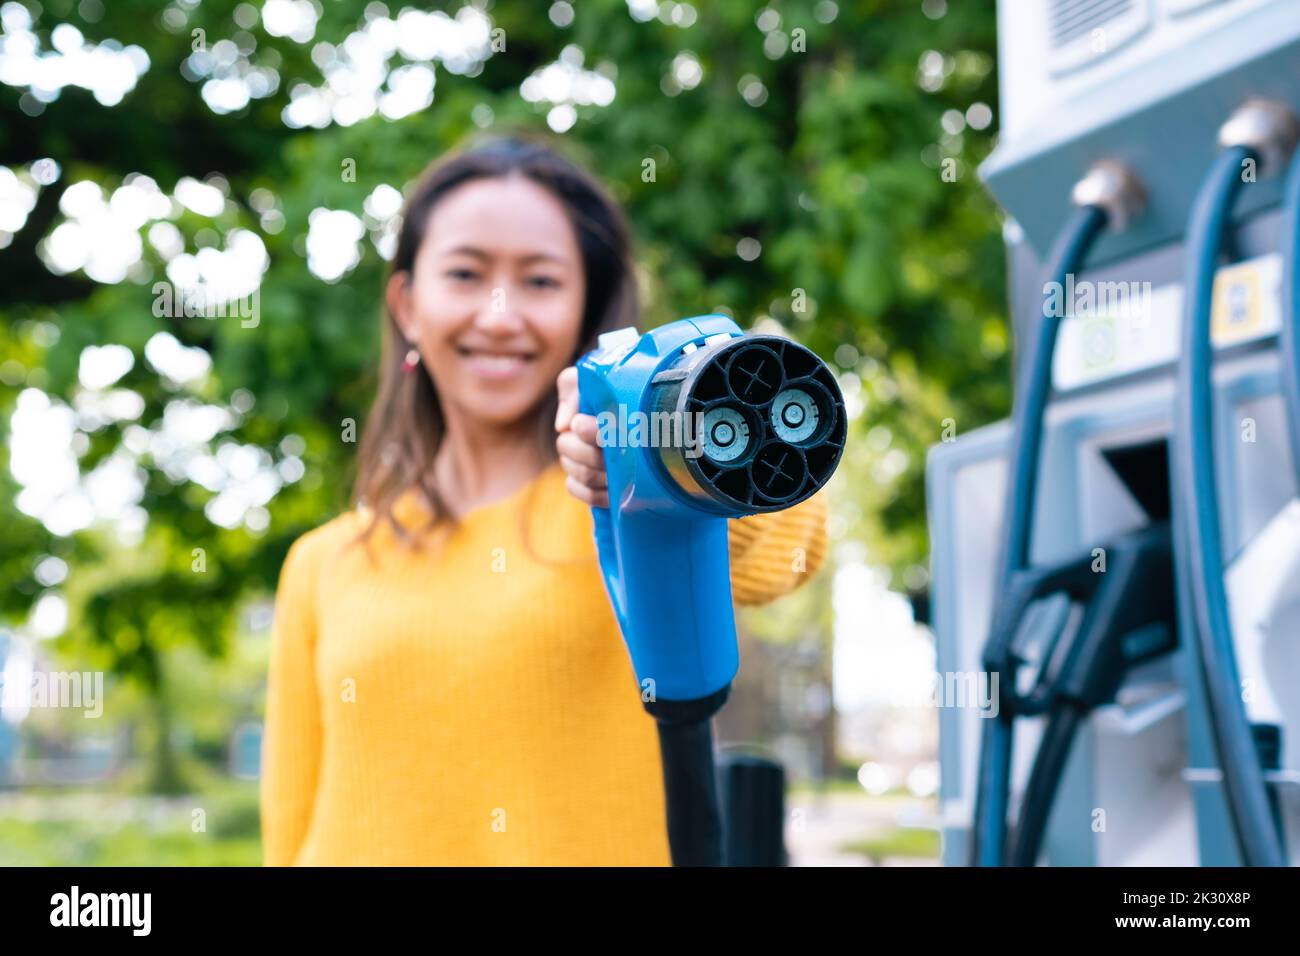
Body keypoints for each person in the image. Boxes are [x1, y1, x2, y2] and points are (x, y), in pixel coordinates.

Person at [260, 136, 829, 866]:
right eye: (466, 274)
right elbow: (289, 823)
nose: (500, 317)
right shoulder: (323, 563)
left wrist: (664, 467)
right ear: (406, 304)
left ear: (584, 307)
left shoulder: (625, 503)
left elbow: (793, 543)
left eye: (540, 282)